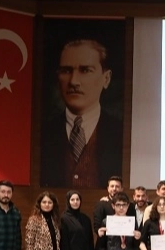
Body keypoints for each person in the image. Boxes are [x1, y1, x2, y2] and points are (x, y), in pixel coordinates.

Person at [40, 39, 122, 188]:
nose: (73, 81)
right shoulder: (43, 133)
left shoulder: (120, 132)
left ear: (106, 78)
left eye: (85, 70)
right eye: (66, 71)